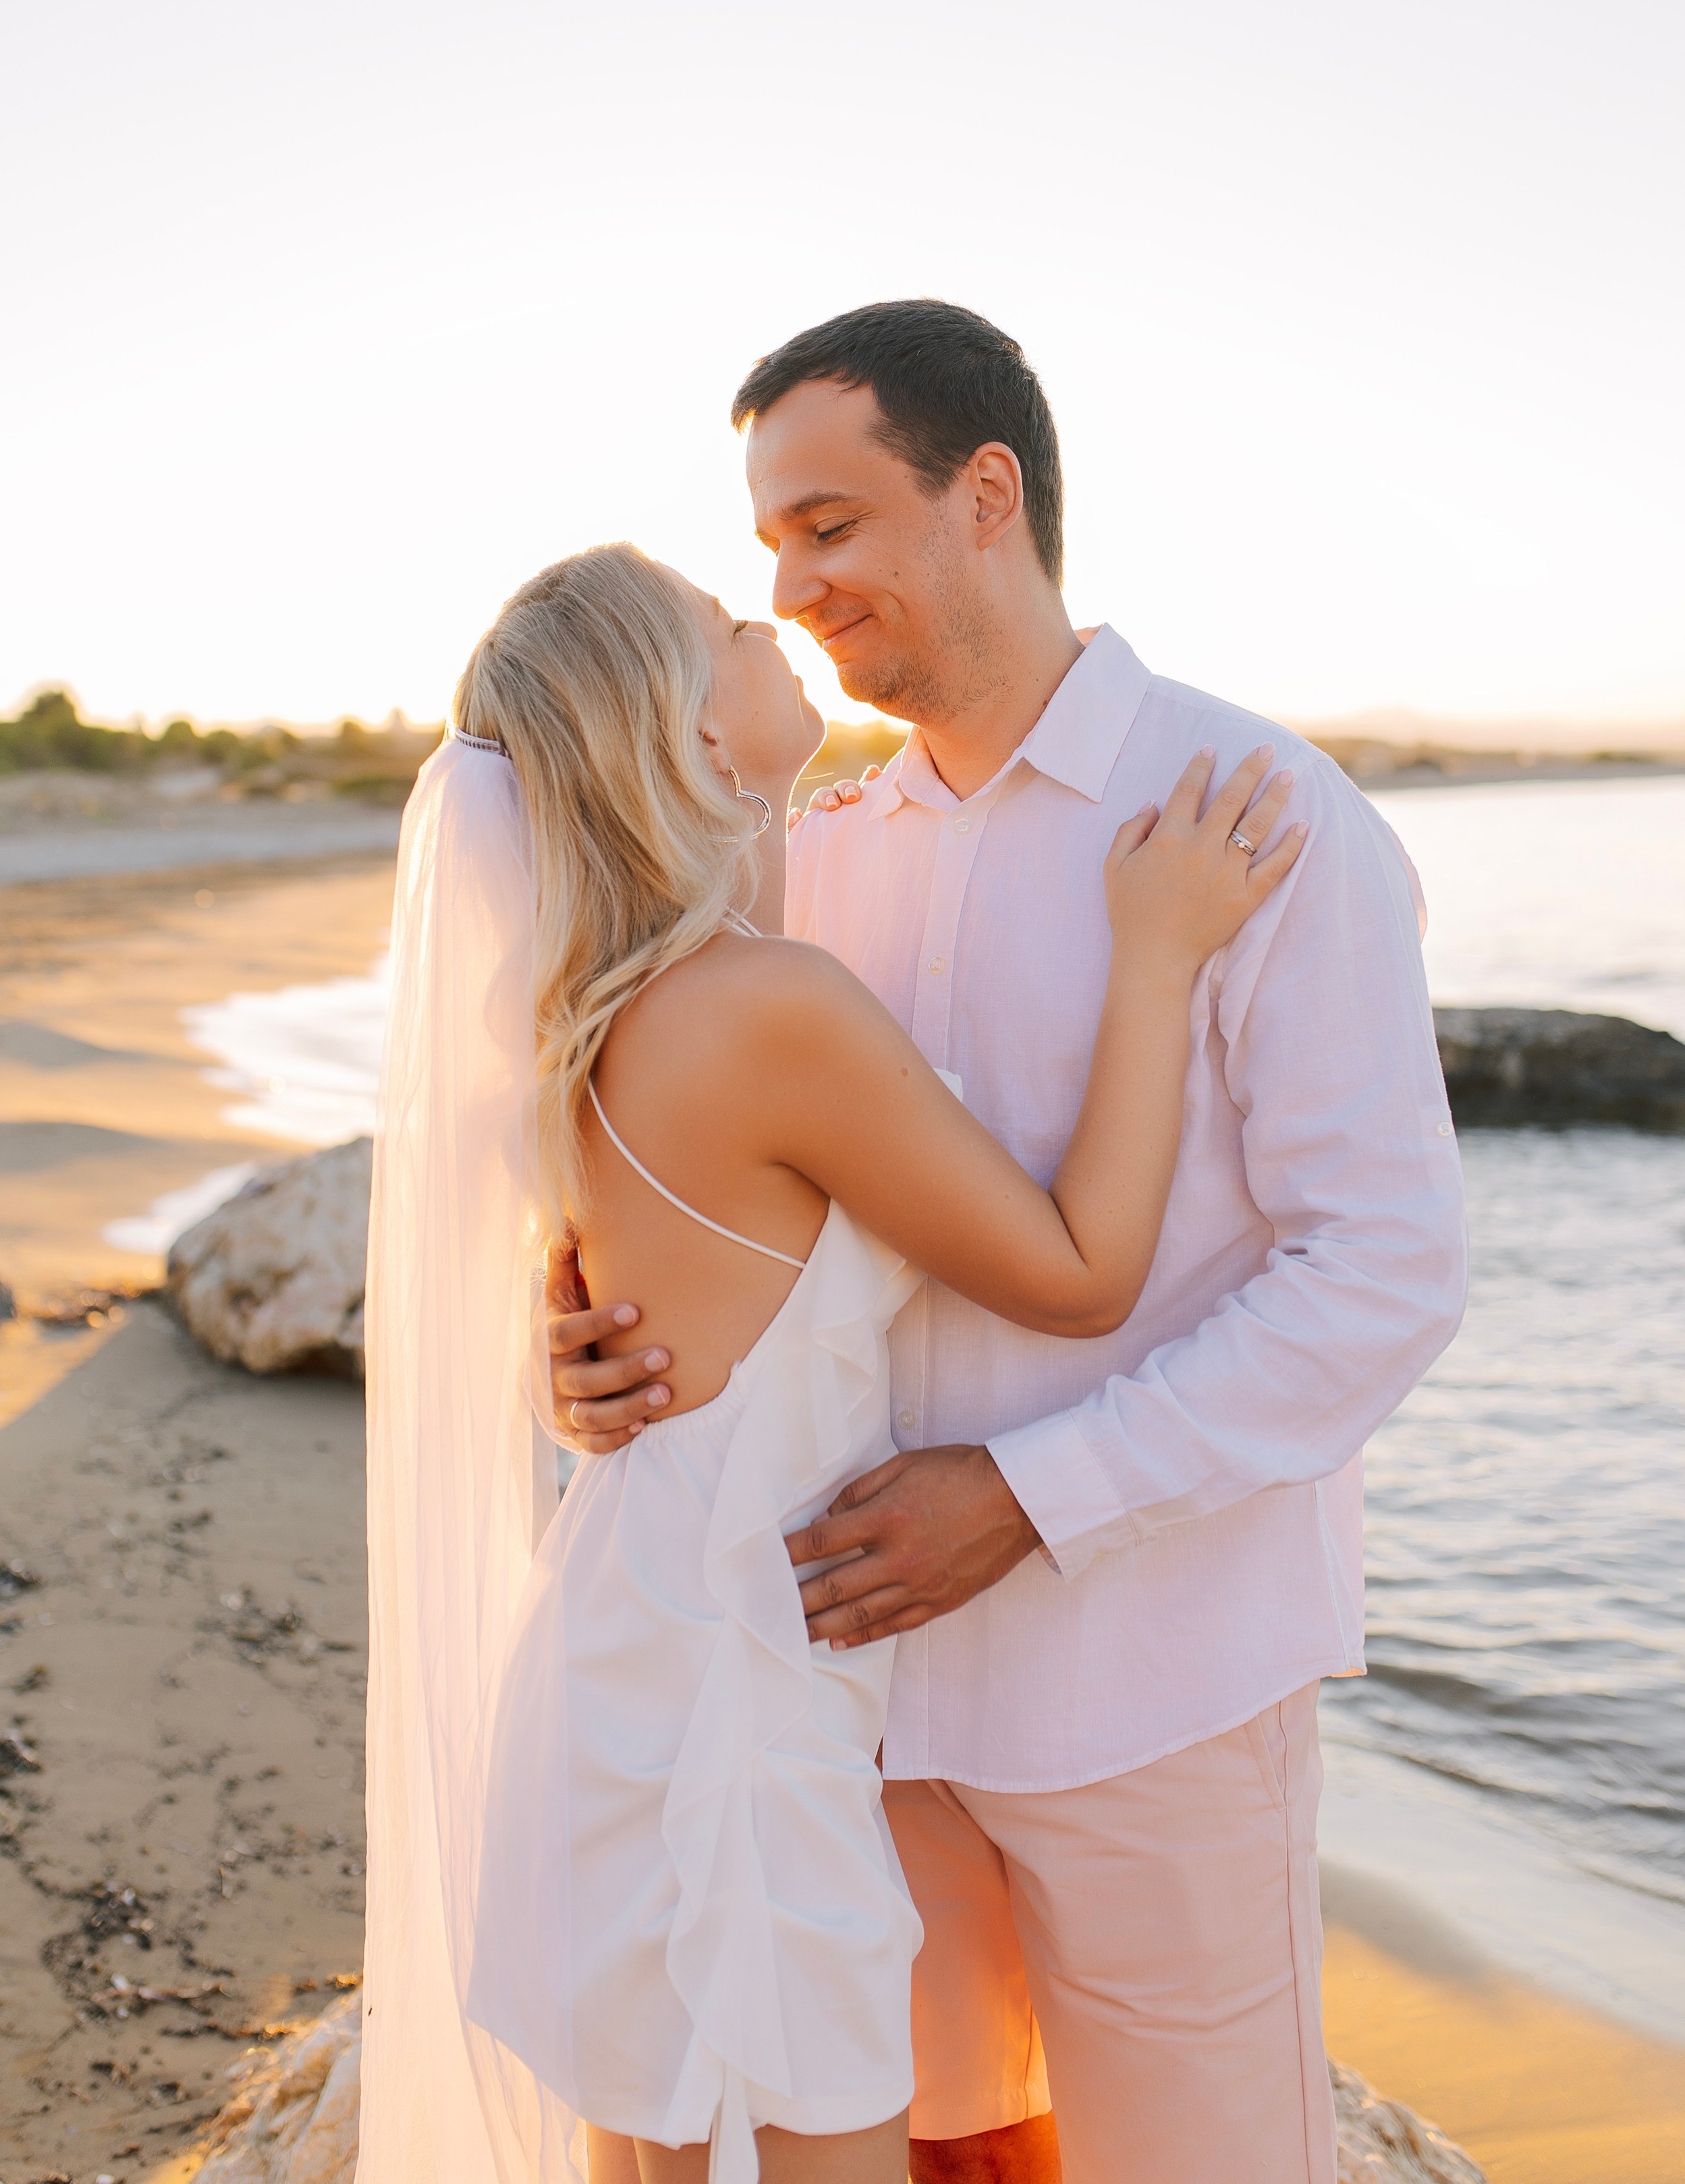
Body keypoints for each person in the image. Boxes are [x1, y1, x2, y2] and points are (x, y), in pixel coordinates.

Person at [550, 302, 1470, 2184]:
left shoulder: (1255, 816)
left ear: (985, 497)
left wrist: (1034, 1495)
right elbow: (743, 1209)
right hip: (857, 1693)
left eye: (829, 527)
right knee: (955, 2163)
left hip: (1158, 1681)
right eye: (770, 552)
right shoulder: (814, 850)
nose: (795, 589)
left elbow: (1384, 1271)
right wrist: (582, 1344)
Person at [360, 538, 1300, 2184]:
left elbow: (650, 1305)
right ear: (696, 735)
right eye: (726, 623)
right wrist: (1156, 953)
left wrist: (555, 1358)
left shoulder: (588, 1014)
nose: (773, 612)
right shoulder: (766, 1008)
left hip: (634, 1656)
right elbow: (1079, 1275)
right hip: (731, 1701)